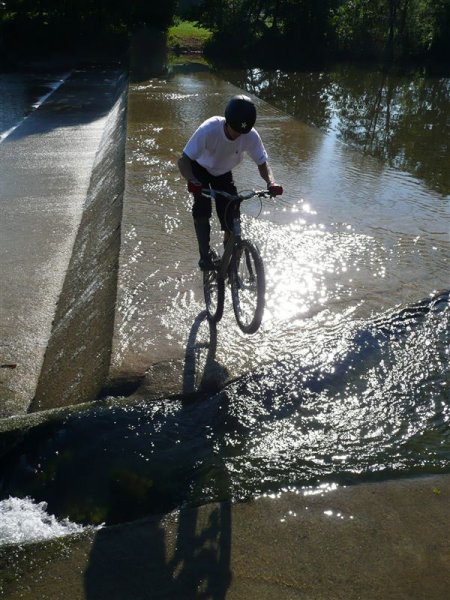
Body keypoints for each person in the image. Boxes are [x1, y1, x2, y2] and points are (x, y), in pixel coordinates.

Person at [177, 95, 281, 270]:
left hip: (223, 172)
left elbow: (262, 163)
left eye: (242, 132)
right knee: (203, 208)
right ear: (227, 122)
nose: (237, 135)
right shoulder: (209, 129)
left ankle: (229, 262)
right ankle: (205, 257)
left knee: (231, 211)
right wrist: (192, 179)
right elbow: (183, 160)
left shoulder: (250, 136)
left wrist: (271, 183)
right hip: (200, 169)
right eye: (234, 129)